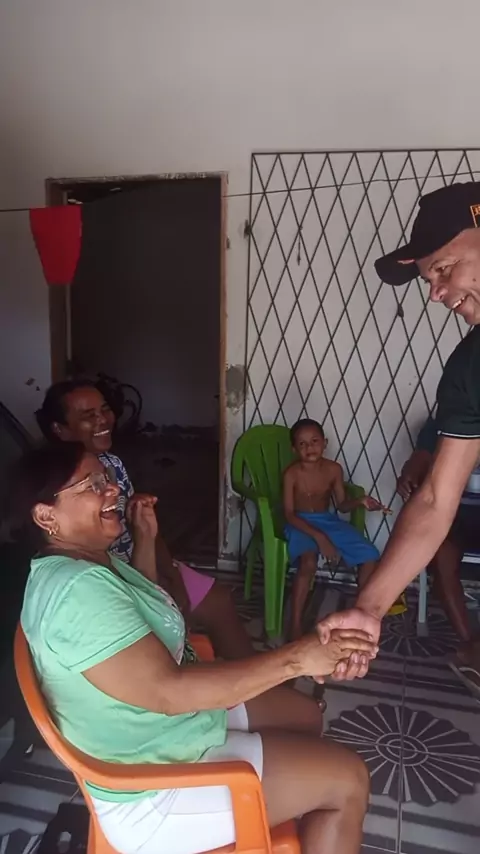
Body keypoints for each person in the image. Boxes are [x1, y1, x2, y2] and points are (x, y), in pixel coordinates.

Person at [15, 443, 373, 854]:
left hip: (166, 732)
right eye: (92, 484)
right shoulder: (75, 591)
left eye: (107, 478)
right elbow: (169, 692)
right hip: (152, 791)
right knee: (349, 780)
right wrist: (297, 658)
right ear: (46, 516)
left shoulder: (91, 563)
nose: (112, 489)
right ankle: (310, 808)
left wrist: (146, 539)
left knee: (305, 715)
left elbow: (148, 615)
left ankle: (301, 814)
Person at [317, 181, 480, 694]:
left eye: (444, 269)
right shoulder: (468, 370)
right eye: (430, 279)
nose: (437, 293)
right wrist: (369, 608)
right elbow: (434, 499)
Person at [36, 380, 253, 661]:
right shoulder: (55, 489)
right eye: (88, 415)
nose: (103, 419)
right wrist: (158, 591)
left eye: (105, 409)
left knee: (219, 601)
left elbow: (144, 529)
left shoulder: (112, 463)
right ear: (60, 429)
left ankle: (254, 683)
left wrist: (170, 573)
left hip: (141, 563)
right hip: (119, 581)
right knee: (177, 631)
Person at [283, 419, 393, 641]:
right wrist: (319, 537)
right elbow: (289, 514)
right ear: (294, 449)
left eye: (314, 441)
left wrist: (361, 501)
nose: (309, 447)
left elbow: (342, 505)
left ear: (325, 443)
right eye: (302, 444)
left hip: (327, 520)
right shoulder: (291, 474)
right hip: (300, 522)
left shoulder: (334, 469)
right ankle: (295, 623)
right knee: (308, 563)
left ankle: (362, 614)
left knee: (370, 555)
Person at [397, 412, 480, 688]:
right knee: (441, 552)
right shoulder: (442, 426)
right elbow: (419, 460)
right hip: (455, 518)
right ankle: (470, 644)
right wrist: (409, 475)